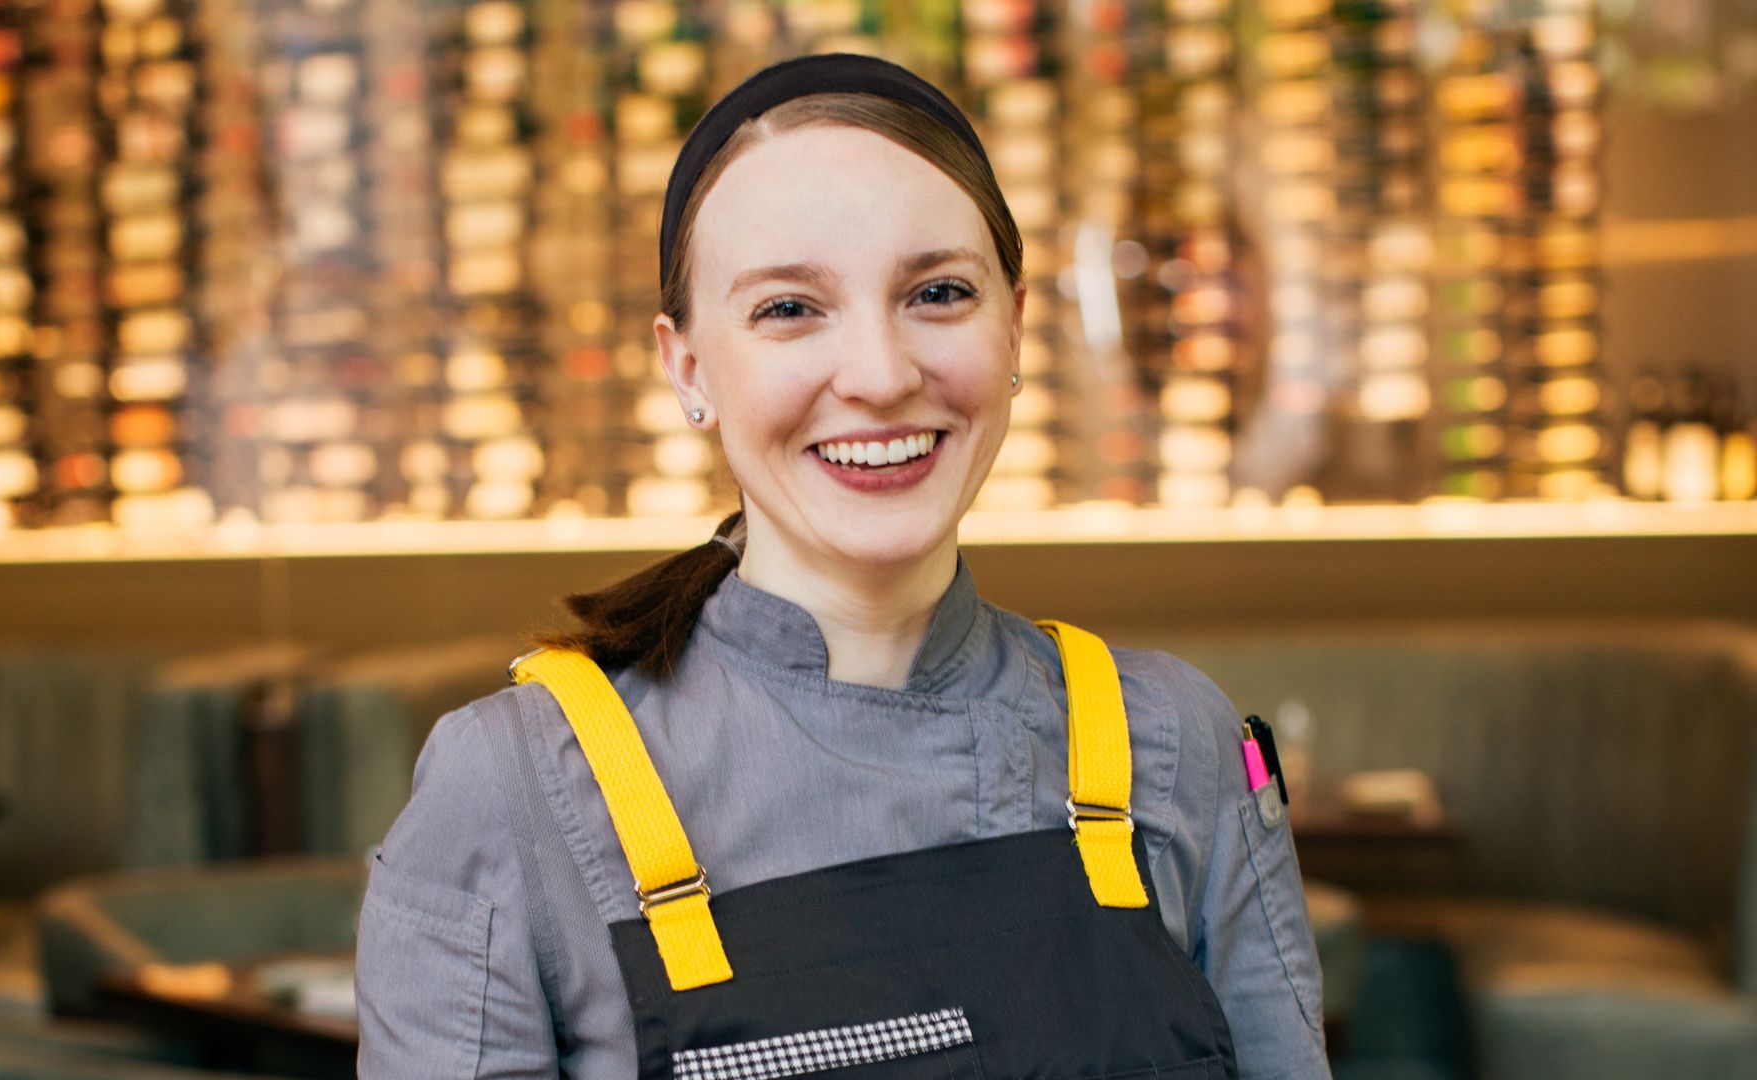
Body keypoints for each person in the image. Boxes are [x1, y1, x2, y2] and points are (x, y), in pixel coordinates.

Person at [356, 54, 1330, 1079]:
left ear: (1015, 327)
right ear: (687, 367)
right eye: (789, 308)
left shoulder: (1177, 741)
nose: (879, 375)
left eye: (939, 292)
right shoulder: (511, 791)